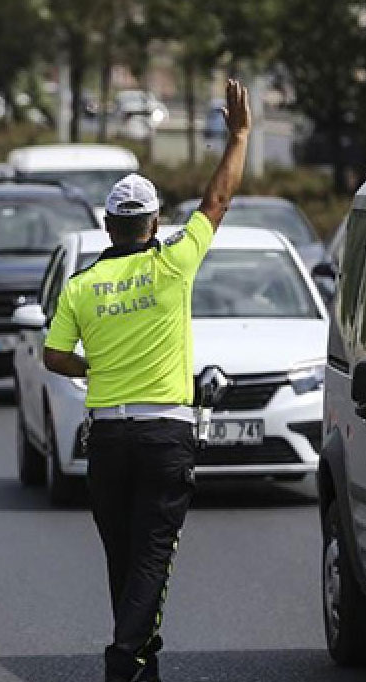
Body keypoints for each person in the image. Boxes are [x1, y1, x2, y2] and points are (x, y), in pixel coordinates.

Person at [42, 79, 251, 682]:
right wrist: (238, 135)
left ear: (109, 225)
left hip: (106, 439)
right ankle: (122, 660)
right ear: (155, 222)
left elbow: (55, 357)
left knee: (124, 556)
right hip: (165, 435)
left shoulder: (80, 286)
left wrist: (96, 367)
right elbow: (217, 200)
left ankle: (140, 663)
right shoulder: (172, 265)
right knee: (153, 556)